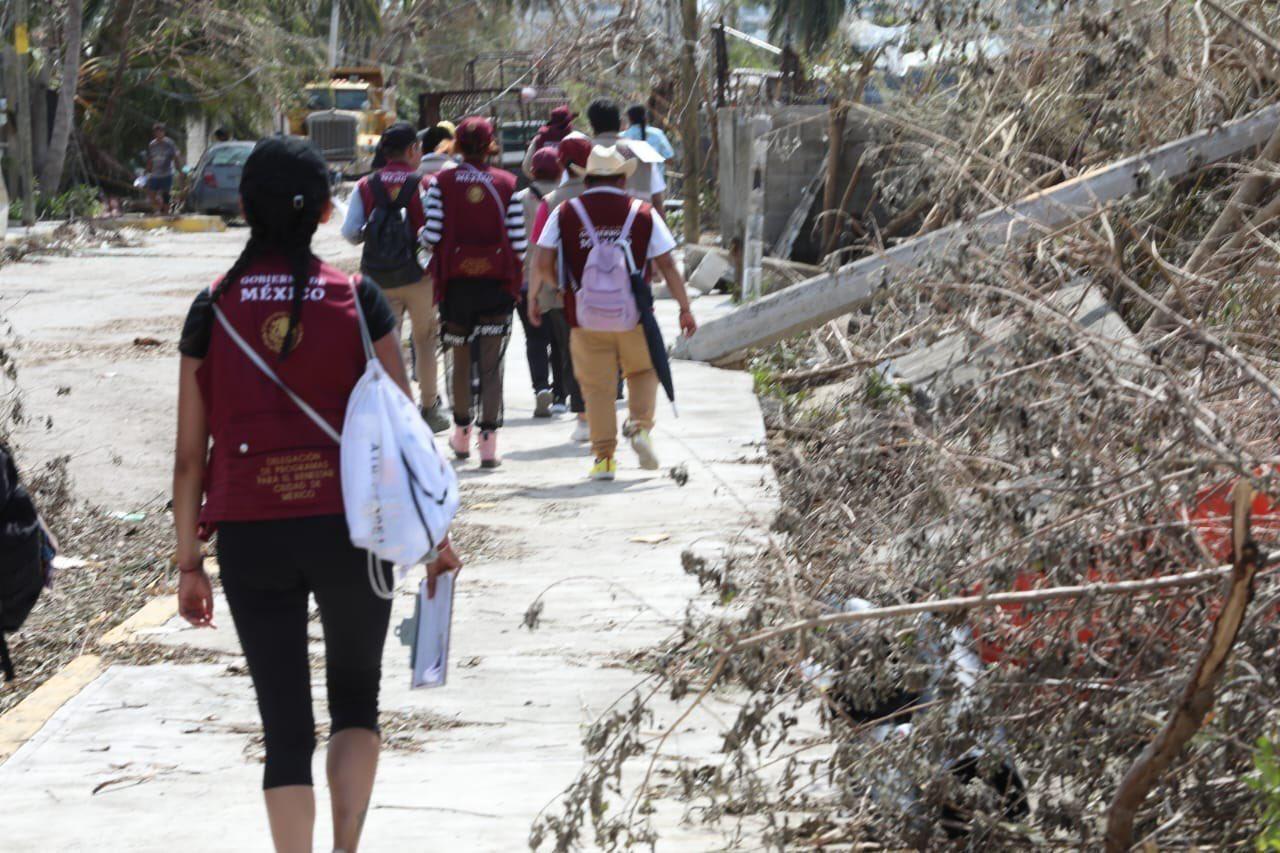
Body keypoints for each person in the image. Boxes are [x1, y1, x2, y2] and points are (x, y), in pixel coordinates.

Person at [172, 136, 462, 853]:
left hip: (248, 533)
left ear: (243, 209)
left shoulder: (212, 306)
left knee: (284, 726)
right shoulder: (358, 299)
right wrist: (435, 536)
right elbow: (405, 434)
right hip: (352, 532)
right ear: (329, 211)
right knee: (357, 701)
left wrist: (187, 561)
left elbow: (187, 458)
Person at [529, 145, 697, 480]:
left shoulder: (564, 211)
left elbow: (542, 261)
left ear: (587, 180)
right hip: (633, 315)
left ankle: (604, 458)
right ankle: (639, 426)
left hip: (583, 316)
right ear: (623, 179)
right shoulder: (644, 212)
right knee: (643, 372)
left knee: (597, 388)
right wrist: (685, 308)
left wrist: (547, 292)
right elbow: (667, 264)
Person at [420, 116, 527, 468]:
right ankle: (489, 443)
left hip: (455, 286)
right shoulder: (508, 183)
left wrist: (424, 243)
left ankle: (461, 434)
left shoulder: (440, 183)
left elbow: (432, 235)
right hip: (496, 286)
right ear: (491, 143)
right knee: (492, 363)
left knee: (459, 361)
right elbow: (519, 245)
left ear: (458, 146)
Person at [341, 122, 451, 433]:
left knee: (384, 344)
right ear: (413, 150)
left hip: (377, 281)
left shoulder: (366, 185)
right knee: (426, 341)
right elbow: (434, 231)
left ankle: (390, 410)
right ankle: (430, 409)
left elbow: (350, 232)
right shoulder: (425, 183)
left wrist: (372, 235)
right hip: (419, 278)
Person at [538, 134, 592, 441]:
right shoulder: (602, 197)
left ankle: (584, 418)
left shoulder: (551, 203)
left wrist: (544, 289)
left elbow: (539, 253)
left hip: (564, 294)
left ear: (561, 162)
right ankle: (600, 410)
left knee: (572, 353)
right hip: (606, 293)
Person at [515, 148, 567, 418]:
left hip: (525, 281)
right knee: (559, 340)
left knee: (534, 338)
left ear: (532, 171)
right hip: (556, 280)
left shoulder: (519, 200)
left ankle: (540, 387)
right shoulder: (563, 198)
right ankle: (560, 394)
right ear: (560, 170)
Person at [586, 99, 664, 213]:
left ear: (591, 125)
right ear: (620, 122)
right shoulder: (643, 150)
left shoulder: (583, 151)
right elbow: (657, 201)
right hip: (639, 225)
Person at [622, 104, 675, 185]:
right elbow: (670, 160)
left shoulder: (621, 137)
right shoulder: (657, 134)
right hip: (654, 186)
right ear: (645, 118)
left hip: (629, 187)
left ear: (629, 119)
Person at [521, 105, 577, 178]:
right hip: (569, 185)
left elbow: (526, 167)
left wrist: (540, 179)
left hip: (545, 184)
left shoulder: (539, 139)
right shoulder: (576, 139)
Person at [145, 122, 184, 214]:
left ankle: (166, 213)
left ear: (163, 132)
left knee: (165, 194)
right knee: (151, 194)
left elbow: (175, 158)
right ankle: (160, 208)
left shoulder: (169, 144)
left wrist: (180, 171)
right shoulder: (152, 145)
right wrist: (147, 170)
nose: (159, 134)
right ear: (154, 133)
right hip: (155, 173)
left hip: (166, 173)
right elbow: (150, 159)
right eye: (156, 132)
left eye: (160, 132)